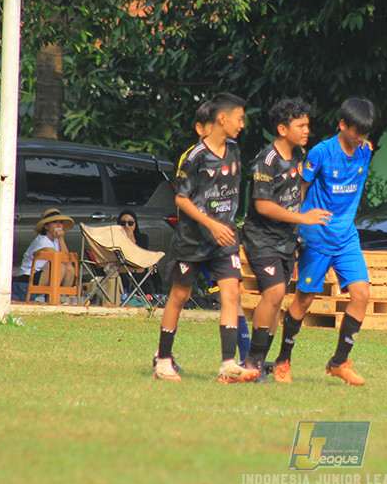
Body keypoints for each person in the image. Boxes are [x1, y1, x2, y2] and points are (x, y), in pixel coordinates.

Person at [152, 92, 259, 383]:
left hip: (224, 241)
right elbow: (181, 200)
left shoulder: (235, 150)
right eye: (239, 118)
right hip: (193, 240)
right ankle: (163, 360)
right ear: (221, 119)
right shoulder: (193, 157)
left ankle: (227, 363)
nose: (242, 124)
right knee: (180, 295)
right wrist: (211, 224)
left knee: (231, 293)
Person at [271, 98, 377, 386]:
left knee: (362, 294)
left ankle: (339, 361)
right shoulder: (320, 153)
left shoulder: (365, 151)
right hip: (316, 238)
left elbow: (363, 151)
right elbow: (300, 190)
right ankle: (282, 362)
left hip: (346, 238)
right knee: (304, 300)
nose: (361, 139)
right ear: (343, 125)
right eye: (356, 132)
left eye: (365, 134)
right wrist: (294, 229)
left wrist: (363, 143)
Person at [241, 98, 331, 381]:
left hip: (286, 239)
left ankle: (257, 360)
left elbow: (297, 193)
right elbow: (263, 207)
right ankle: (253, 361)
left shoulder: (299, 154)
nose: (307, 130)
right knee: (275, 293)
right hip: (261, 237)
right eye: (300, 125)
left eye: (308, 124)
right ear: (282, 129)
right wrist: (303, 219)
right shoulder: (266, 161)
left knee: (277, 298)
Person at [16, 208, 77, 300]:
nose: (59, 225)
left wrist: (61, 239)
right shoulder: (42, 241)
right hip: (30, 276)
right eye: (55, 222)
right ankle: (49, 297)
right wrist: (60, 239)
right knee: (59, 266)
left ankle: (63, 297)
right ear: (46, 226)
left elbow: (67, 261)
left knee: (70, 268)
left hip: (45, 274)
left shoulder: (56, 240)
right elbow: (58, 259)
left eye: (61, 222)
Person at [116, 209, 161, 295]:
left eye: (130, 223)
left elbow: (142, 255)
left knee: (147, 267)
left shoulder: (142, 238)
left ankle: (142, 294)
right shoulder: (114, 239)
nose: (126, 226)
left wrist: (132, 241)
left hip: (137, 265)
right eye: (123, 223)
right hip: (120, 266)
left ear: (135, 225)